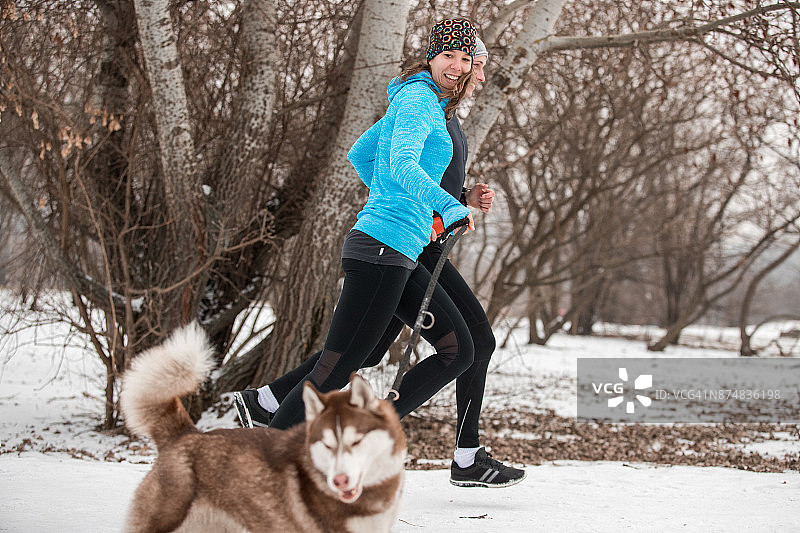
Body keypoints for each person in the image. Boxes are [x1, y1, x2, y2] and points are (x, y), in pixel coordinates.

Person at [235, 34, 526, 488]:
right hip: (386, 246)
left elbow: (364, 155)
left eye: (466, 59)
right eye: (451, 56)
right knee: (346, 363)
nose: (463, 68)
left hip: (395, 244)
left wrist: (406, 201)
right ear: (433, 58)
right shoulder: (418, 100)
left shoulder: (425, 103)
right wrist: (440, 207)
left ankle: (272, 424)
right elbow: (402, 166)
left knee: (359, 356)